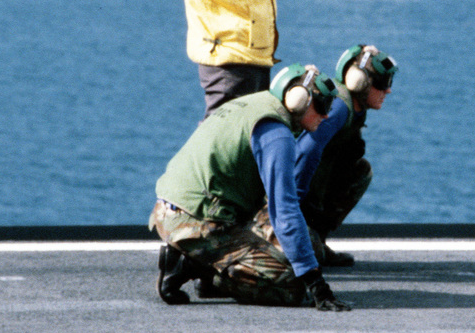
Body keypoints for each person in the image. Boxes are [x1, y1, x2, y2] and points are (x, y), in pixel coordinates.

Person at [149, 64, 351, 311]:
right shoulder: (277, 134)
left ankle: (206, 265)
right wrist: (316, 284)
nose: (327, 115)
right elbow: (284, 211)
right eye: (322, 107)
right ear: (299, 101)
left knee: (306, 245)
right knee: (291, 287)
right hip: (194, 222)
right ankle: (191, 265)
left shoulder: (256, 104)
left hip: (176, 208)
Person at [295, 44, 398, 266]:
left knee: (360, 171)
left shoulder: (355, 109)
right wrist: (293, 204)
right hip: (289, 194)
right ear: (360, 82)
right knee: (298, 259)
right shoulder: (339, 107)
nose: (387, 91)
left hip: (313, 187)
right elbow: (304, 151)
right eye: (382, 83)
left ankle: (317, 238)